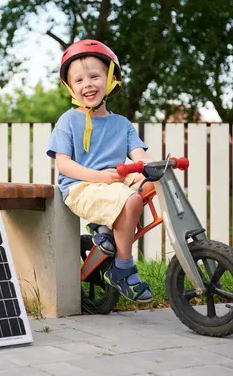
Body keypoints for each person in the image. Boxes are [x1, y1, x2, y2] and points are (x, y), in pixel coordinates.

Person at [46, 39, 155, 303]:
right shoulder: (68, 120)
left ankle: (106, 229)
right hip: (81, 186)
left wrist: (158, 166)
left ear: (111, 79)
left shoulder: (122, 124)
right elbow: (64, 164)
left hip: (113, 183)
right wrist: (100, 177)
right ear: (70, 87)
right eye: (79, 80)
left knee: (152, 181)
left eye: (95, 76)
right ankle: (123, 267)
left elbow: (141, 157)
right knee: (130, 199)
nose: (88, 85)